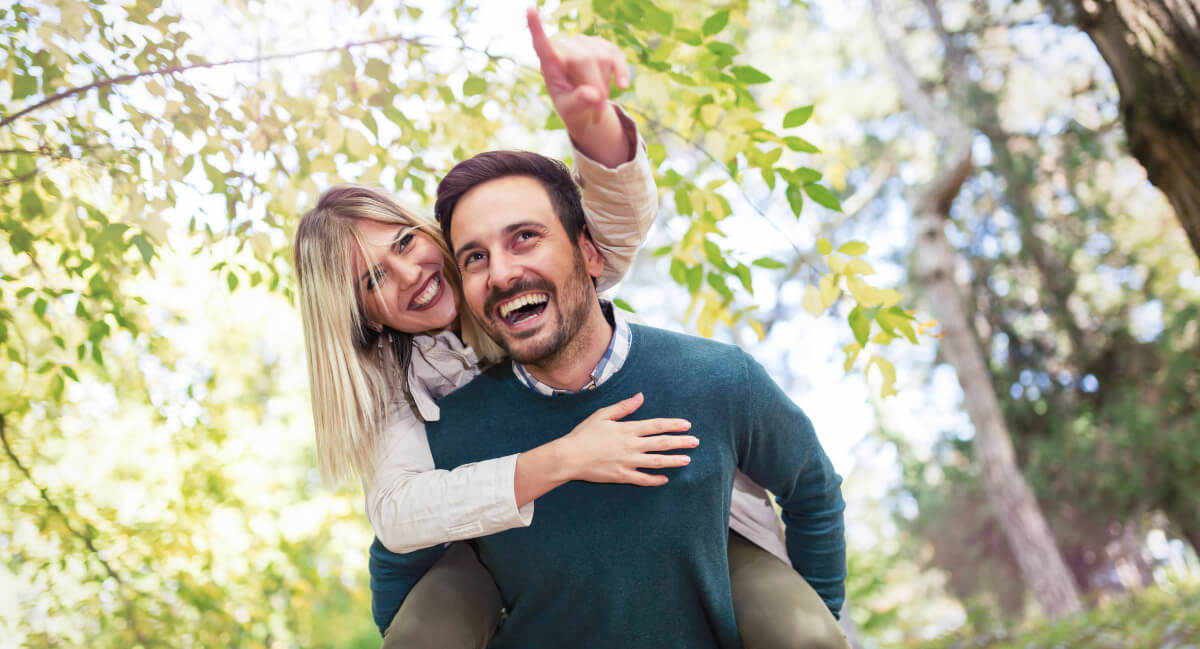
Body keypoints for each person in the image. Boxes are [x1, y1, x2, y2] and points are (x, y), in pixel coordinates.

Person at [295, 10, 840, 649]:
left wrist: (592, 125)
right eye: (373, 279)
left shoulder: (542, 293)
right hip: (494, 537)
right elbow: (400, 523)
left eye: (405, 243)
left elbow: (616, 221)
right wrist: (568, 456)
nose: (410, 274)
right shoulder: (407, 395)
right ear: (364, 315)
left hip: (683, 528)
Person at [407, 148, 852, 649]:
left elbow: (813, 492)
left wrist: (815, 616)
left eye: (525, 238)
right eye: (475, 258)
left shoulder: (718, 379)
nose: (502, 273)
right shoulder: (454, 430)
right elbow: (400, 562)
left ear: (589, 254)